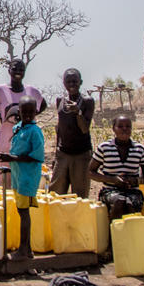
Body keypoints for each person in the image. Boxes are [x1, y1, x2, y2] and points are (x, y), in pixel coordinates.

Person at [0, 59, 46, 184]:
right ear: (9, 71)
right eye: (15, 69)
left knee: (25, 166)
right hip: (7, 135)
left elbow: (43, 105)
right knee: (5, 169)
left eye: (21, 70)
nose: (18, 72)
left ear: (25, 72)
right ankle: (5, 199)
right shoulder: (0, 90)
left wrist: (32, 116)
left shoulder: (32, 91)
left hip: (27, 136)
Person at [0, 96, 44, 261]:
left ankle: (24, 249)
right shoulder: (18, 128)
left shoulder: (35, 132)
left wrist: (13, 158)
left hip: (27, 178)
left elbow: (36, 156)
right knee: (20, 210)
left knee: (24, 213)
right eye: (25, 111)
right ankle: (27, 248)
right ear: (19, 112)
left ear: (36, 112)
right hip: (17, 176)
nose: (28, 115)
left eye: (31, 112)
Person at [89, 114, 144, 220]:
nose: (124, 129)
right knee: (119, 201)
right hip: (110, 190)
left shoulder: (139, 149)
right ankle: (114, 234)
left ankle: (127, 235)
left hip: (133, 191)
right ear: (114, 129)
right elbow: (90, 172)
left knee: (129, 204)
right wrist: (113, 180)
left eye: (128, 126)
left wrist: (135, 181)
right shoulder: (104, 147)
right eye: (120, 126)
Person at [49, 68, 95, 200]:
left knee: (80, 195)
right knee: (55, 193)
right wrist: (56, 154)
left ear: (80, 82)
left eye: (75, 81)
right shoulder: (60, 101)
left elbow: (85, 128)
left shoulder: (87, 101)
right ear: (64, 83)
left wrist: (78, 112)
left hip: (81, 154)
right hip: (63, 153)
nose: (72, 84)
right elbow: (60, 128)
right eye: (68, 81)